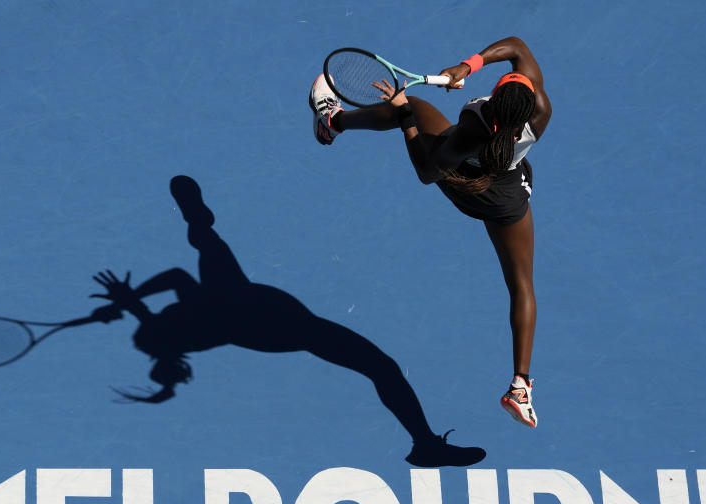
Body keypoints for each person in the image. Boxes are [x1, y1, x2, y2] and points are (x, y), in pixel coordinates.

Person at [88, 176, 486, 467]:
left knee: (379, 367)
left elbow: (165, 305)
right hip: (262, 316)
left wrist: (128, 303)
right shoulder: (183, 322)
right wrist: (128, 300)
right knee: (380, 366)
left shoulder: (177, 334)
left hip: (259, 318)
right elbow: (174, 280)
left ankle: (425, 444)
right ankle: (426, 445)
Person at [308, 37, 551, 428]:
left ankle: (333, 122)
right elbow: (521, 48)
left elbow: (427, 172)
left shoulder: (472, 127)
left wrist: (404, 113)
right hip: (508, 195)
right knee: (522, 283)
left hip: (463, 183)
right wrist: (466, 67)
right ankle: (521, 385)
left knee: (416, 106)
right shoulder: (540, 110)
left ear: (494, 102)